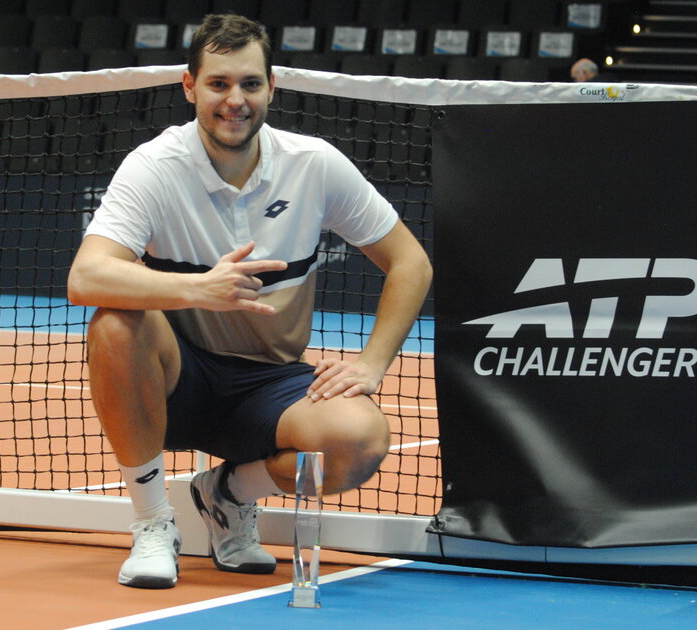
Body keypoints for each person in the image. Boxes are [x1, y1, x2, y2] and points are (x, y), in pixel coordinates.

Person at [66, 14, 432, 589]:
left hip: (272, 386)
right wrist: (196, 289)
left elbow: (410, 262)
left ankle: (229, 494)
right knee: (114, 322)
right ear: (190, 87)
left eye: (250, 84)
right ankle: (153, 522)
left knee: (359, 442)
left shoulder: (314, 164)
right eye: (218, 84)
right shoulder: (154, 167)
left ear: (271, 87)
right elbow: (85, 277)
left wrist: (372, 364)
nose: (234, 100)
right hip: (178, 379)